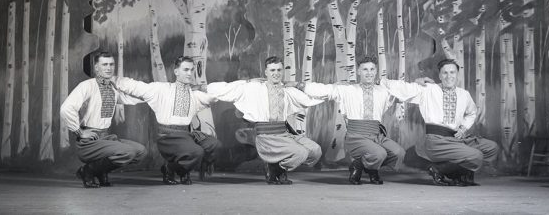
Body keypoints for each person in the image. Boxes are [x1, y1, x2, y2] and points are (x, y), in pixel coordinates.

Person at [295, 56, 411, 185]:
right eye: (365, 69)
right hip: (356, 136)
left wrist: (421, 83)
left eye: (372, 69)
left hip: (376, 135)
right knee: (379, 153)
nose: (369, 73)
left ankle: (362, 165)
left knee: (398, 153)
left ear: (376, 71)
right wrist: (299, 85)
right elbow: (325, 89)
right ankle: (370, 168)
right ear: (358, 71)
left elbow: (404, 90)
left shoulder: (384, 91)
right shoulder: (348, 90)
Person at [206, 56, 323, 185]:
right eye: (272, 70)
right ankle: (275, 168)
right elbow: (226, 89)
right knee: (300, 152)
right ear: (266, 72)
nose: (276, 73)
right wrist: (248, 81)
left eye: (279, 70)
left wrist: (299, 84)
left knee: (315, 150)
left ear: (283, 71)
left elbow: (314, 96)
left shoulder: (288, 90)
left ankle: (277, 165)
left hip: (285, 134)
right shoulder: (255, 88)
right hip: (267, 136)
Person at [381, 58, 499, 186]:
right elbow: (403, 88)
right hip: (436, 141)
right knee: (476, 156)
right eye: (445, 73)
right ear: (439, 76)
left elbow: (472, 113)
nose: (449, 76)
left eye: (452, 72)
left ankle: (460, 174)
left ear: (457, 75)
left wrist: (463, 128)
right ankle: (439, 170)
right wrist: (381, 82)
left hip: (456, 139)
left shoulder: (464, 94)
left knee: (491, 148)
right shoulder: (428, 90)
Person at [115, 56, 221, 185]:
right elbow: (135, 86)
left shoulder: (195, 94)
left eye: (192, 70)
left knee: (213, 144)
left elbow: (216, 96)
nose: (189, 73)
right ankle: (169, 169)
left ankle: (182, 170)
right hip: (168, 136)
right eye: (186, 69)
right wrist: (113, 79)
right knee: (196, 152)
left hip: (186, 135)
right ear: (176, 72)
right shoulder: (161, 89)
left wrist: (202, 87)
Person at [60, 51, 147, 188]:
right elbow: (66, 108)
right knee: (128, 152)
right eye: (104, 64)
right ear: (96, 68)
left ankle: (100, 171)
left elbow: (129, 98)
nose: (109, 68)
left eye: (111, 64)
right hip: (89, 141)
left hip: (106, 137)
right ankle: (87, 171)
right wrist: (79, 132)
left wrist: (153, 95)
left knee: (140, 151)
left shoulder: (112, 88)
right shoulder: (87, 86)